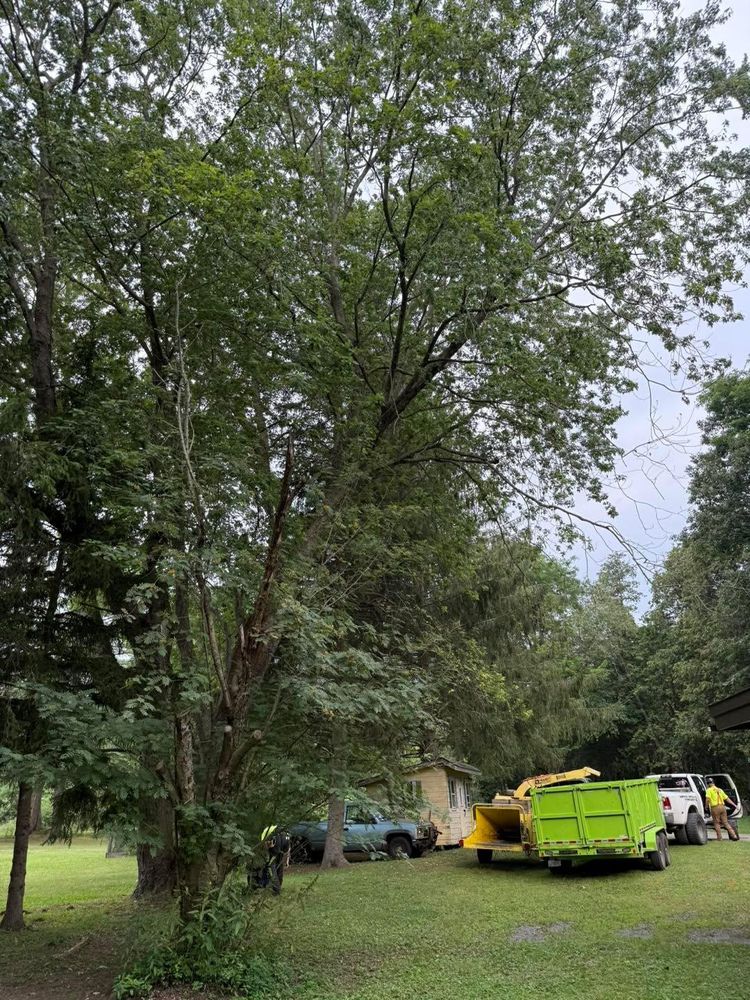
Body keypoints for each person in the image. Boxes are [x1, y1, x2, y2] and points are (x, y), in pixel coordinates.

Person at [248, 825, 291, 894]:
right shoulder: (284, 834)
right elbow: (287, 849)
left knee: (272, 869)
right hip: (280, 849)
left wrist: (286, 861)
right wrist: (287, 861)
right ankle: (277, 887)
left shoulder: (270, 833)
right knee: (277, 868)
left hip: (276, 849)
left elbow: (265, 845)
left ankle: (276, 889)